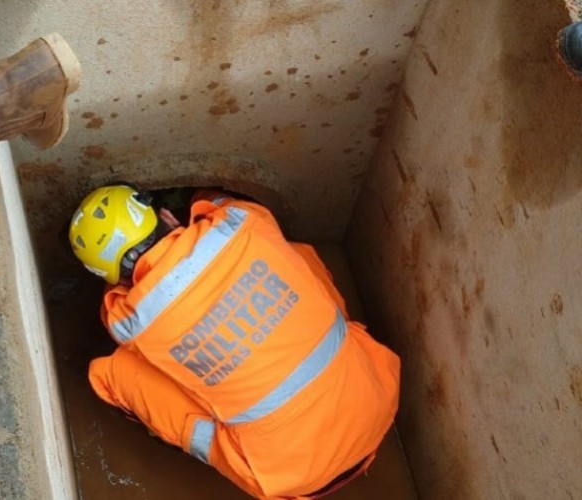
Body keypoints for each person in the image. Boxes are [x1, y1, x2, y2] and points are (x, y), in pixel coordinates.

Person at [68, 184, 401, 499]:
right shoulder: (242, 221)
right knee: (296, 255)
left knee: (110, 370)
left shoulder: (129, 319)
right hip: (376, 396)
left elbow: (110, 312)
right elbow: (214, 198)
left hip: (291, 476)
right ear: (167, 217)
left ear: (116, 278)